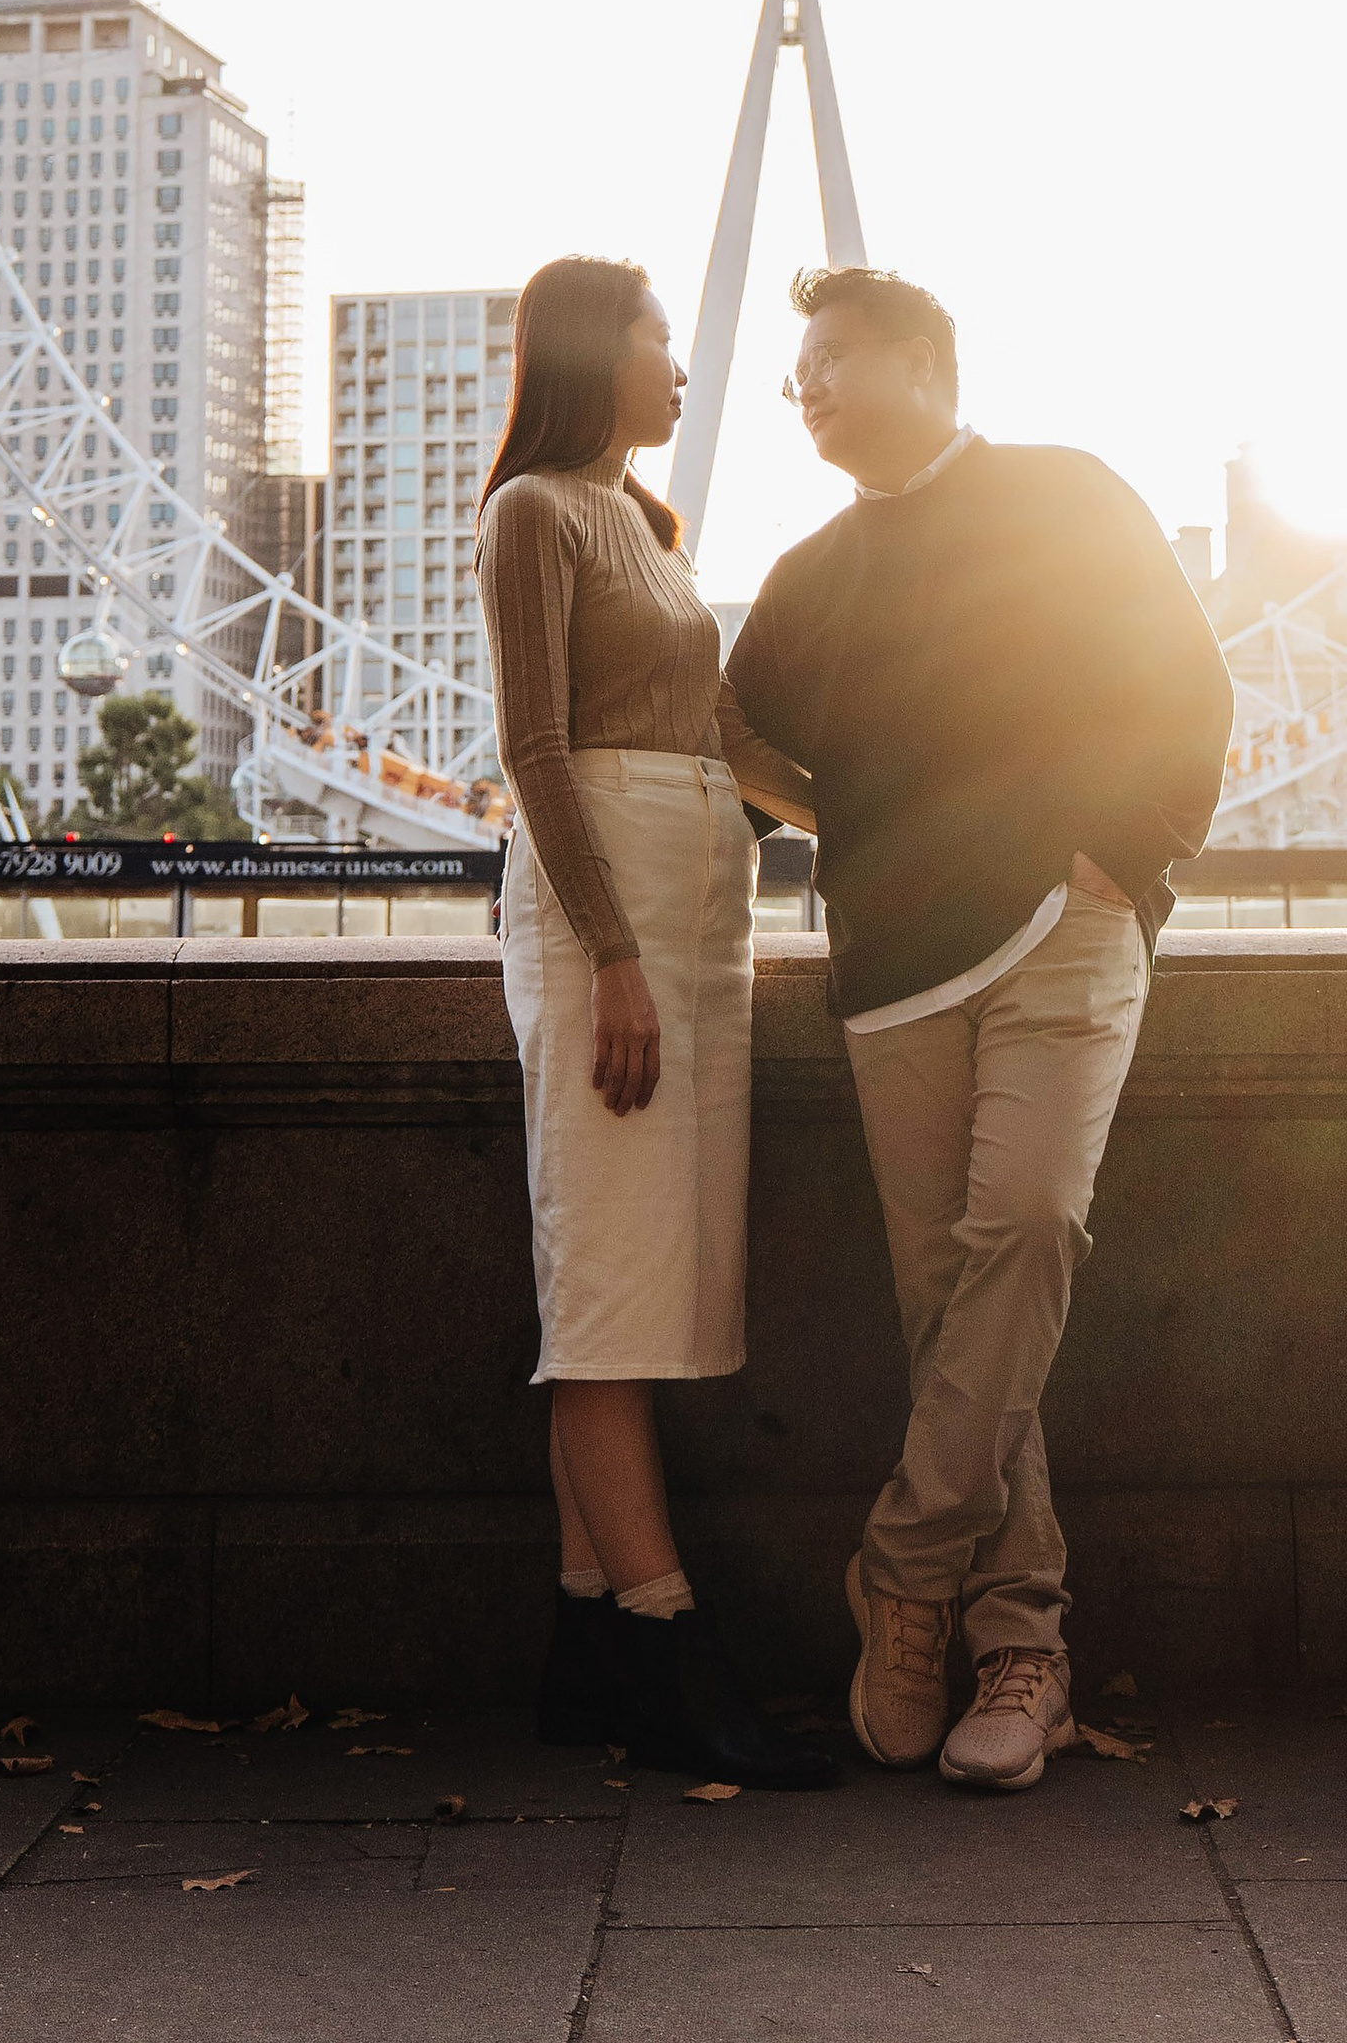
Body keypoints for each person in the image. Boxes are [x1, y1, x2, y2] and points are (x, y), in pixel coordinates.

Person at [722, 265, 1233, 1792]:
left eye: (830, 357)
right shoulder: (807, 578)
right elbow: (732, 735)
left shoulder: (1069, 497)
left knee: (1028, 1225)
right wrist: (860, 828)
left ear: (926, 364)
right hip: (893, 965)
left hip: (1063, 928)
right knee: (950, 1309)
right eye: (795, 371)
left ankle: (903, 1567)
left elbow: (1188, 684)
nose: (804, 387)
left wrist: (1119, 856)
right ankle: (1021, 1647)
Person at [475, 253, 835, 1791]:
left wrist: (877, 822)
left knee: (638, 1277)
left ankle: (586, 1645)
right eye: (656, 337)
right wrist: (610, 952)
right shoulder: (533, 514)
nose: (681, 366)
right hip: (612, 923)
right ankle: (670, 1641)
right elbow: (536, 745)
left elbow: (727, 734)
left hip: (698, 920)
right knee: (609, 1289)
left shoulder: (648, 526)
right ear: (590, 350)